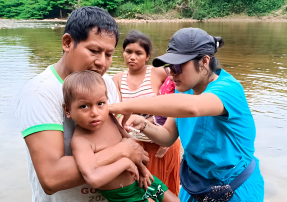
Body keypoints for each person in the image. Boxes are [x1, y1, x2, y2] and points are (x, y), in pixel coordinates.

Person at [109, 28, 264, 202]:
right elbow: (167, 136)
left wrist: (126, 106)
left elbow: (193, 108)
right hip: (196, 185)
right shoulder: (184, 92)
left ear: (205, 61)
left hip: (234, 188)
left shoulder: (228, 89)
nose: (172, 73)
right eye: (169, 67)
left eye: (177, 66)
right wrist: (143, 124)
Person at [15, 7, 149, 202]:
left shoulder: (107, 84)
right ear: (68, 43)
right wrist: (122, 150)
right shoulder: (40, 94)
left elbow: (117, 135)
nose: (102, 62)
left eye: (109, 54)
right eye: (94, 51)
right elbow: (51, 178)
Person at [62, 70, 180, 202]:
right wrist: (125, 162)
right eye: (84, 106)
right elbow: (93, 178)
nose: (95, 112)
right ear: (67, 110)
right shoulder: (81, 141)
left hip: (143, 180)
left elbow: (132, 145)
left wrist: (142, 169)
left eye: (100, 103)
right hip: (126, 196)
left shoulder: (109, 119)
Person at [113, 29, 181, 196]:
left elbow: (176, 98)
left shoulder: (157, 72)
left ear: (147, 56)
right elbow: (118, 114)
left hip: (161, 142)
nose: (132, 57)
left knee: (166, 190)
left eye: (138, 53)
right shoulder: (117, 79)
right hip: (136, 144)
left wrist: (167, 140)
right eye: (128, 52)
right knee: (143, 191)